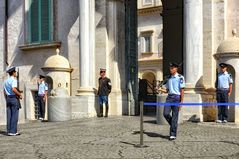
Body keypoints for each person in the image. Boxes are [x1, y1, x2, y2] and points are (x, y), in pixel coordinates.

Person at [158, 62, 185, 140]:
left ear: (176, 69)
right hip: (169, 97)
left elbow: (182, 90)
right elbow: (166, 89)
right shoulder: (169, 78)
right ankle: (173, 125)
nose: (170, 69)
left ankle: (172, 134)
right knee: (165, 114)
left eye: (172, 68)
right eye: (170, 68)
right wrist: (160, 89)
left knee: (175, 116)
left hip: (177, 98)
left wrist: (181, 101)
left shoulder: (180, 77)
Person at [3, 67, 22, 136]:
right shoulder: (13, 80)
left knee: (9, 115)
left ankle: (9, 130)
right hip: (13, 98)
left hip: (8, 98)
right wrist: (20, 94)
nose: (16, 73)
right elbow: (14, 89)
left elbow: (4, 91)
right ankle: (13, 131)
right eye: (15, 72)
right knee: (14, 115)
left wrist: (6, 99)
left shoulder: (5, 81)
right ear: (13, 73)